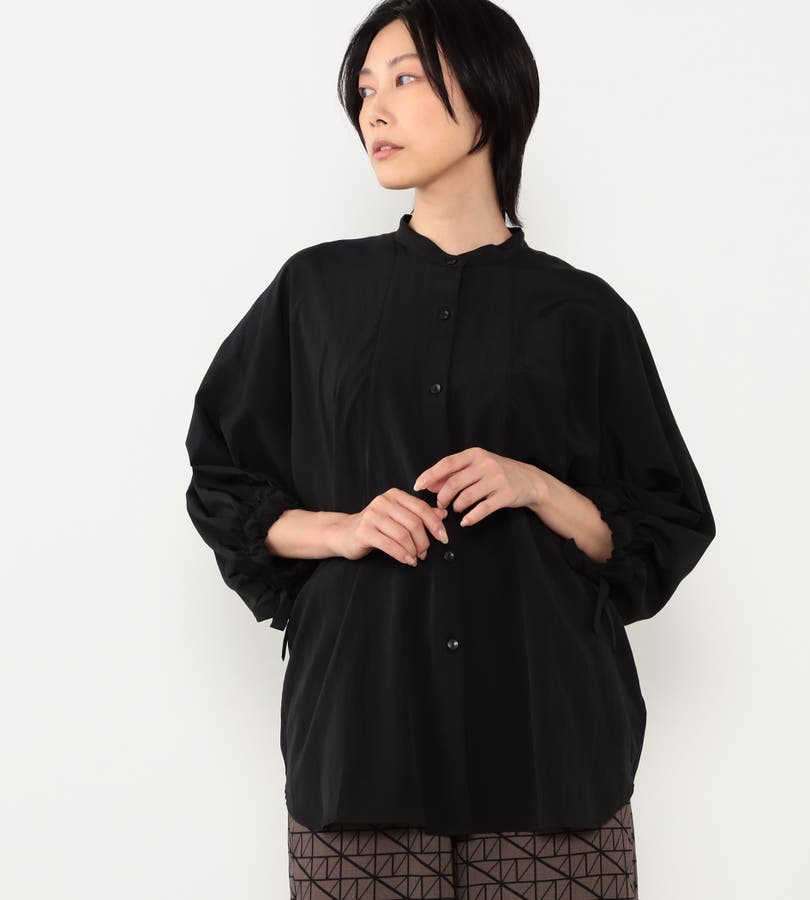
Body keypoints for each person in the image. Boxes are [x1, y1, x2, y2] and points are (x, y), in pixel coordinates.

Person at [184, 1, 716, 897]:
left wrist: (538, 486)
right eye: (364, 89)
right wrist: (340, 528)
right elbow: (221, 475)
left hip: (548, 751)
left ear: (488, 92)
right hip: (366, 741)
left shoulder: (583, 313)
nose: (375, 110)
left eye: (406, 78)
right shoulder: (315, 292)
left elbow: (666, 524)